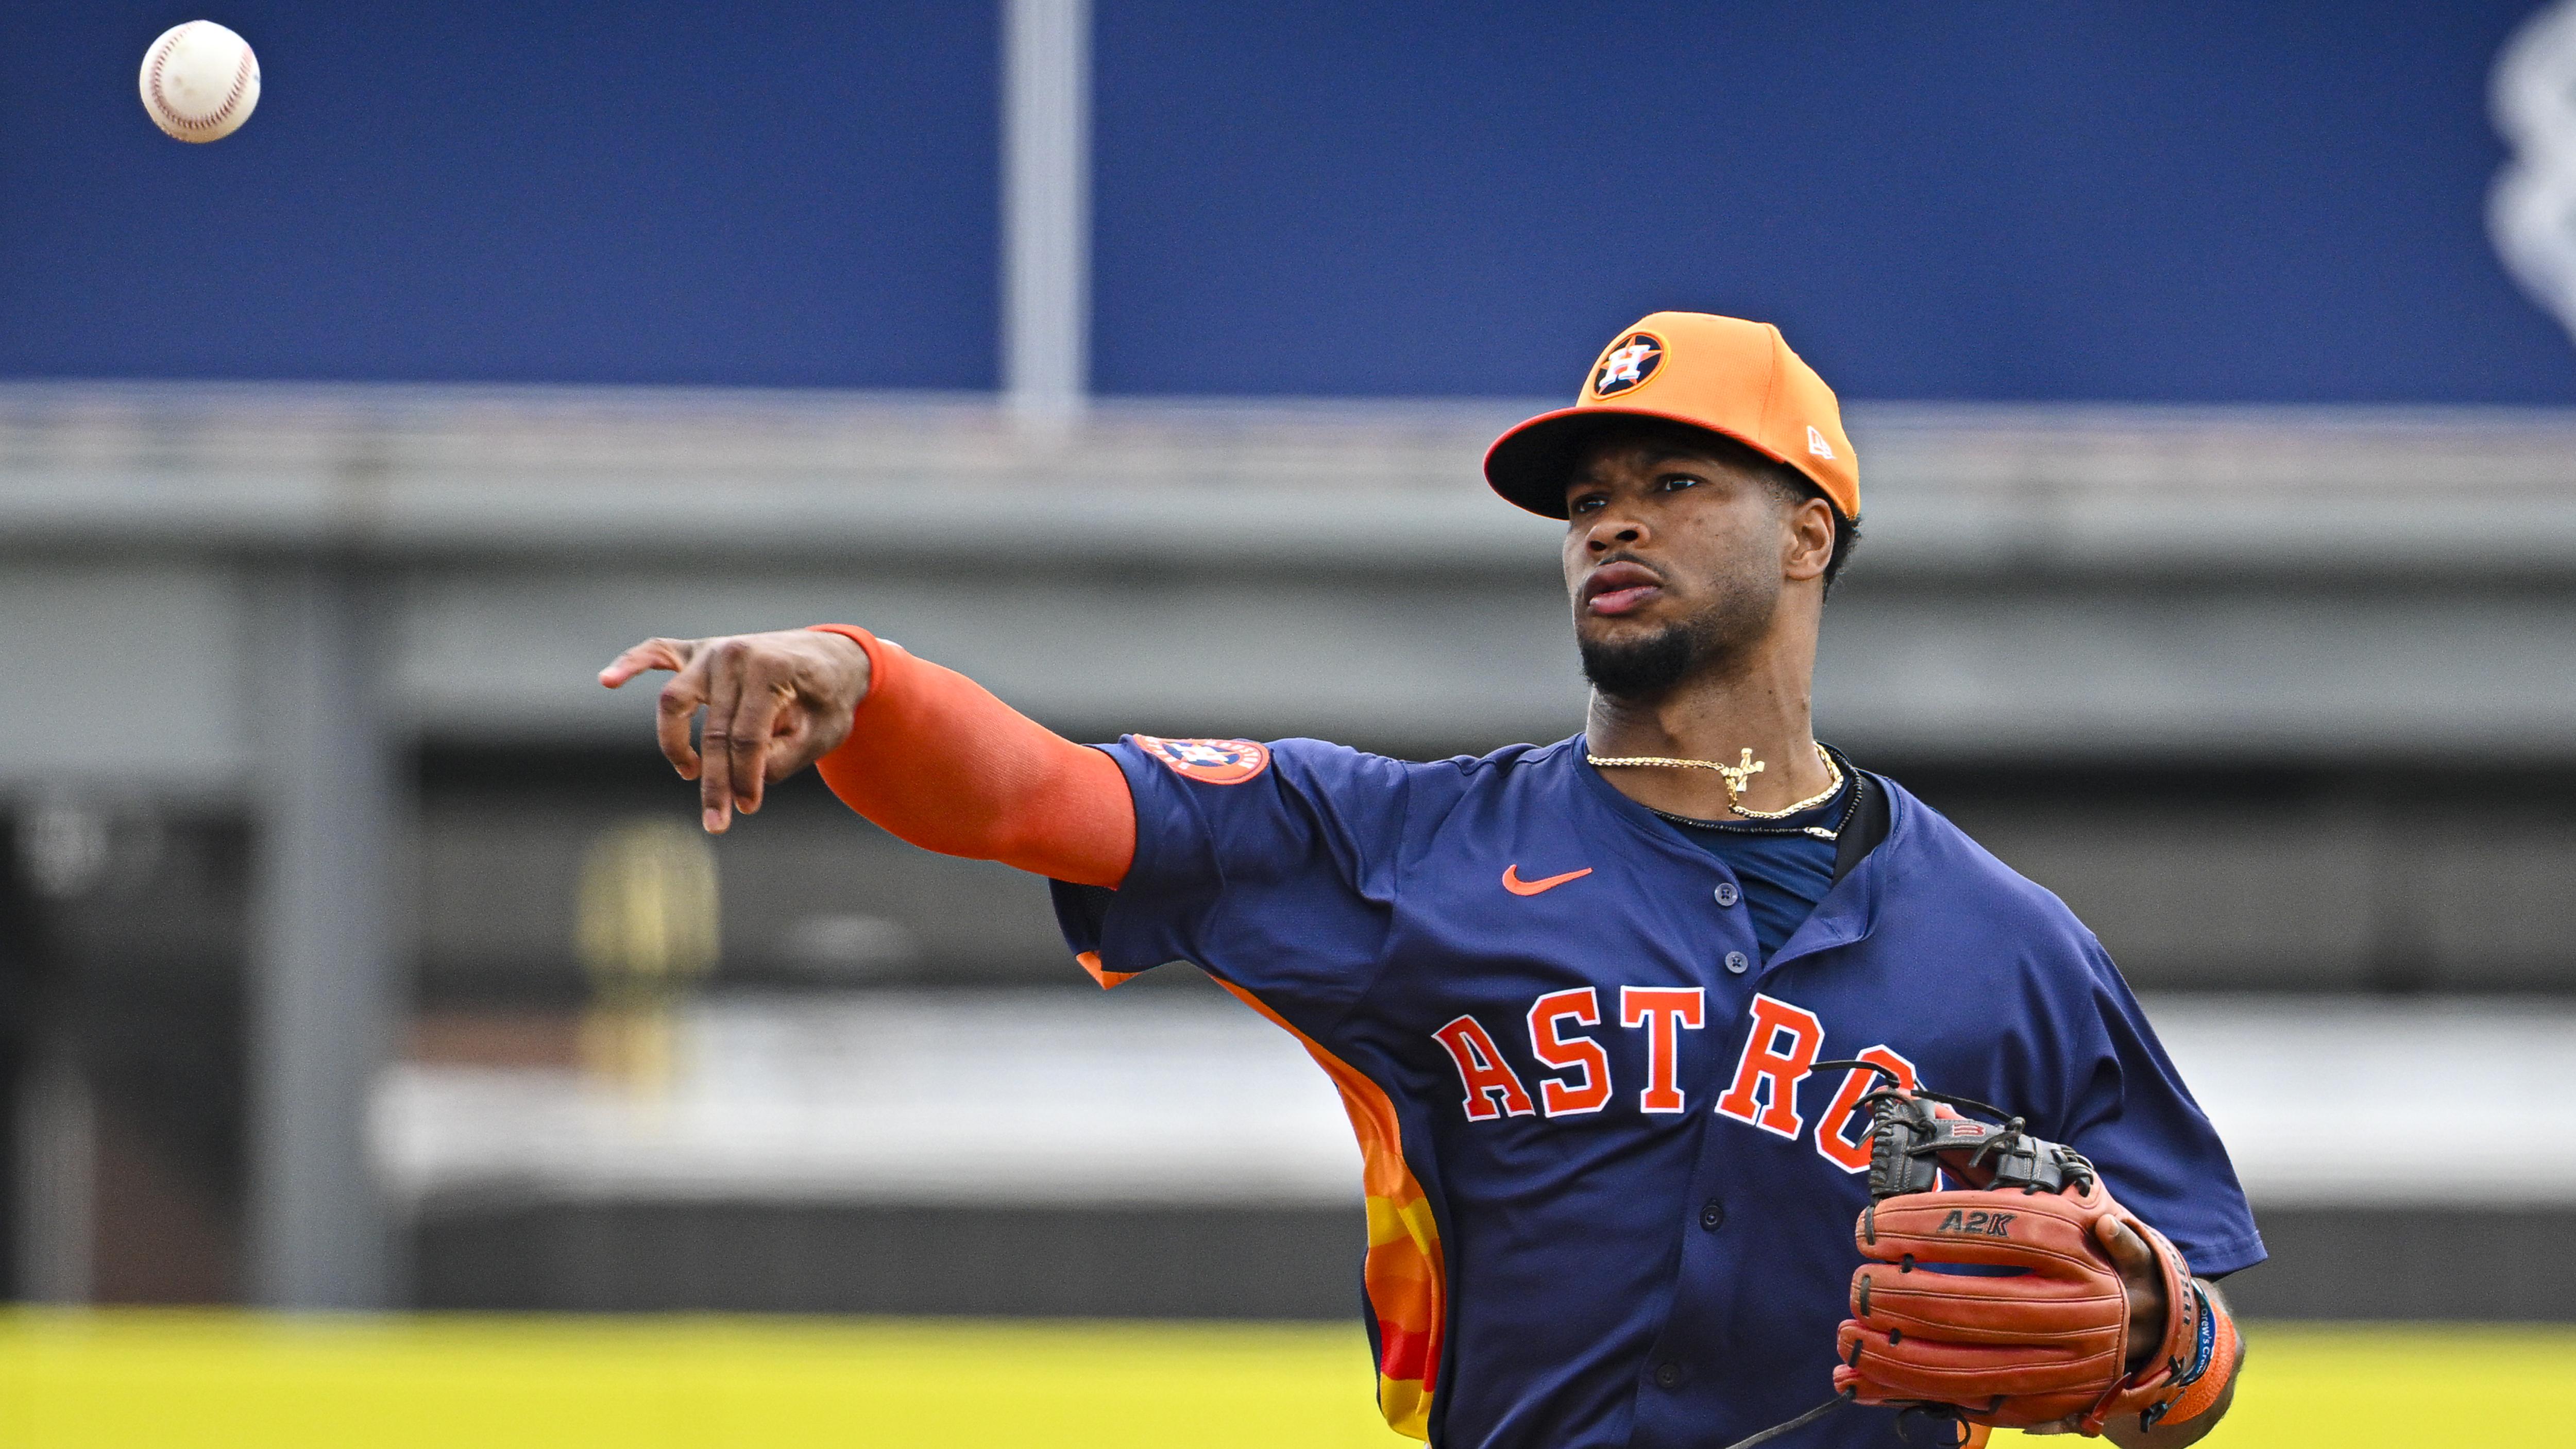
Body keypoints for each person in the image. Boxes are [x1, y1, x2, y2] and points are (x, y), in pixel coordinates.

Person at [599, 312, 2259, 1448]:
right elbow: (1052, 797)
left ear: (1810, 530)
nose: (1615, 524)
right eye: (1588, 499)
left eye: (1678, 482)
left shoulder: (2010, 947)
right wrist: (854, 675)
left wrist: (2156, 1342)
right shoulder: (1406, 850)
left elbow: (2194, 1350)